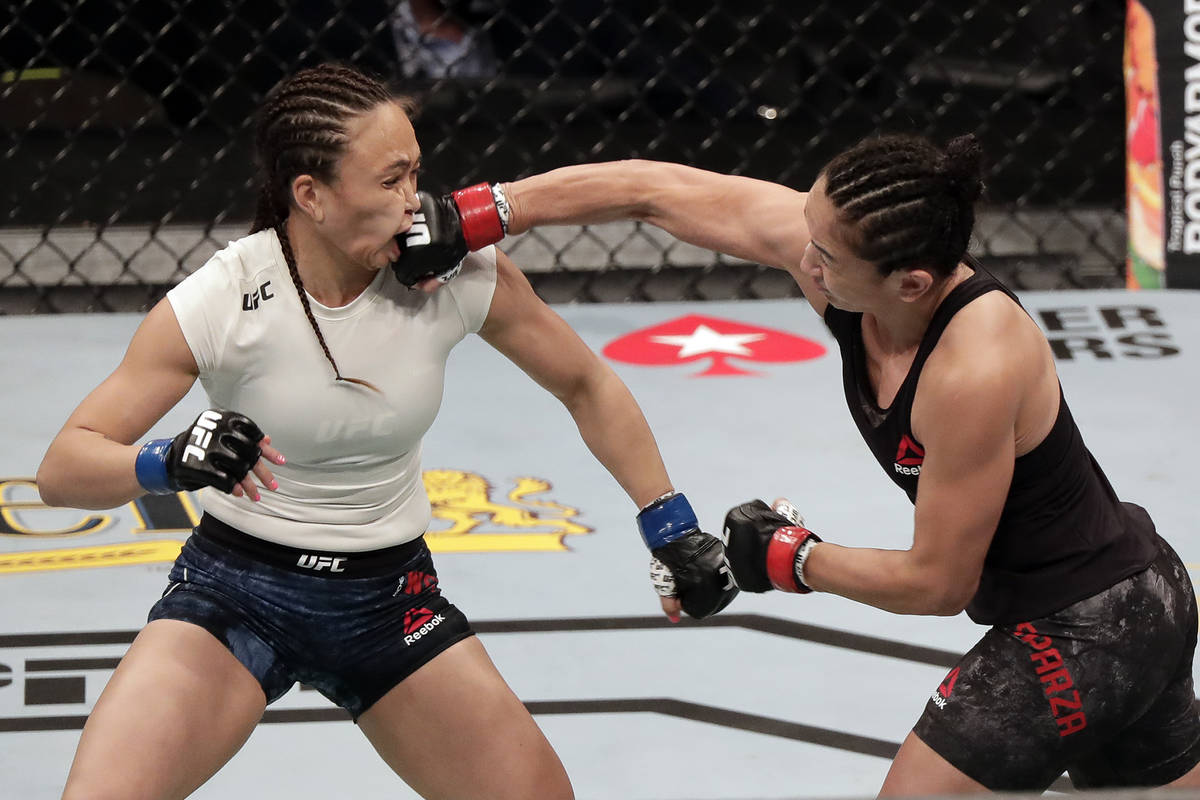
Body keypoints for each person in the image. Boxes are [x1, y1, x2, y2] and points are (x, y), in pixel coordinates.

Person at [396, 134, 1200, 794]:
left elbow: (939, 582)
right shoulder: (856, 267)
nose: (802, 260)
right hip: (1133, 592)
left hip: (1088, 626)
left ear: (910, 281)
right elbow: (652, 188)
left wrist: (790, 558)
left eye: (825, 256)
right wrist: (483, 213)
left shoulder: (974, 365)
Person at [35, 62, 736, 800]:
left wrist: (671, 524)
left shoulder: (453, 275)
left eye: (417, 175)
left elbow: (584, 382)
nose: (416, 204)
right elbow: (63, 470)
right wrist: (169, 460)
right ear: (311, 195)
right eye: (390, 181)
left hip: (388, 599)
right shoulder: (226, 296)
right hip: (236, 595)